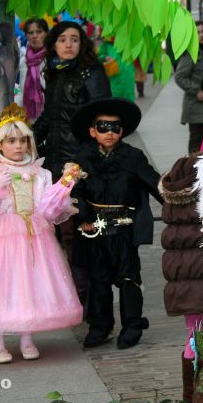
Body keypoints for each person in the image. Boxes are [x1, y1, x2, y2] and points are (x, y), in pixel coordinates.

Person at [0, 104, 83, 364]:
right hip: (0, 238)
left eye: (23, 140)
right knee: (0, 286)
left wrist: (63, 187)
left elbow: (47, 210)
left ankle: (26, 338)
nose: (18, 146)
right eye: (11, 141)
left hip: (34, 236)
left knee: (30, 284)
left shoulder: (39, 173)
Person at [70, 97, 163, 350]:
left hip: (124, 230)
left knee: (129, 280)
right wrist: (84, 216)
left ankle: (132, 326)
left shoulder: (133, 157)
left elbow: (157, 185)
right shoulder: (82, 159)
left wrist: (178, 202)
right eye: (102, 127)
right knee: (98, 281)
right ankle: (100, 327)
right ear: (92, 131)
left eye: (114, 127)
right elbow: (73, 191)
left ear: (122, 131)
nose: (109, 132)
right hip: (94, 232)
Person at [32, 21, 111, 269]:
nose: (68, 44)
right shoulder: (56, 71)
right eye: (63, 39)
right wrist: (28, 140)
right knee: (53, 224)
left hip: (80, 162)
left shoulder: (92, 73)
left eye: (74, 39)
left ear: (82, 43)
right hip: (54, 159)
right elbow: (48, 115)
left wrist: (92, 157)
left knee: (76, 228)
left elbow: (103, 117)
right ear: (54, 44)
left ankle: (80, 289)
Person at [159, 120, 203, 403]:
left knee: (198, 336)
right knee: (200, 338)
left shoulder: (184, 178)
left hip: (191, 276)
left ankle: (197, 398)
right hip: (200, 275)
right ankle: (195, 398)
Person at [175, 21, 203, 153]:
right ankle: (192, 171)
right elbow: (180, 77)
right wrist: (196, 90)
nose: (202, 35)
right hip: (196, 105)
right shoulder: (191, 54)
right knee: (197, 141)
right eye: (198, 33)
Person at [18, 17, 49, 120]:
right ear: (26, 36)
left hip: (48, 118)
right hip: (27, 119)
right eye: (31, 33)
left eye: (39, 32)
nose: (35, 36)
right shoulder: (23, 62)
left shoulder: (53, 59)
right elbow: (22, 91)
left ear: (46, 33)